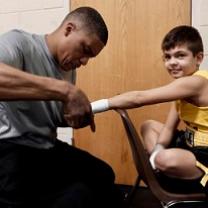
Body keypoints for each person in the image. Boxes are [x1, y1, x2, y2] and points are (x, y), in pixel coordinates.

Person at [0, 6, 124, 208]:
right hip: (9, 148)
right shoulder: (19, 43)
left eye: (90, 57)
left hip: (45, 147)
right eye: (85, 50)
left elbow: (48, 114)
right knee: (79, 196)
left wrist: (70, 118)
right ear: (68, 29)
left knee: (103, 175)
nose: (84, 61)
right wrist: (64, 90)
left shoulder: (68, 68)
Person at [91, 25, 208, 194]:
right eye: (167, 57)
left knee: (165, 159)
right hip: (189, 143)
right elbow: (169, 128)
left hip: (205, 151)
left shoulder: (196, 82)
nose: (172, 62)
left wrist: (93, 107)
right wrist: (158, 149)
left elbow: (139, 98)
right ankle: (158, 164)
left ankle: (162, 166)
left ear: (198, 58)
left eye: (180, 56)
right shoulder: (181, 86)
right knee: (148, 126)